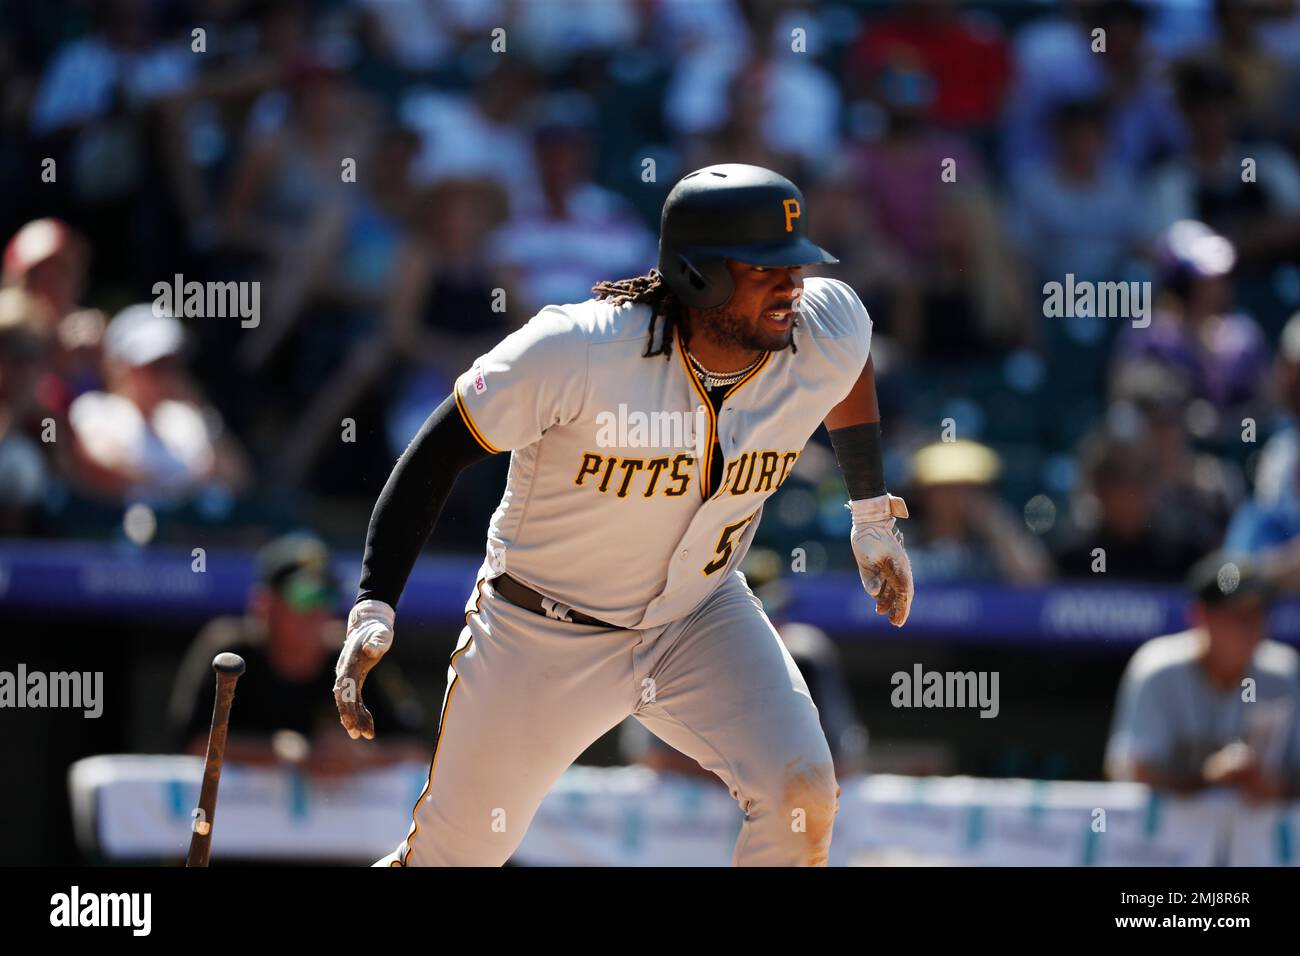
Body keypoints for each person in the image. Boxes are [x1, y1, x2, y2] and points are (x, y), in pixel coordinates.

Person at [336, 164, 915, 867]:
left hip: (700, 614)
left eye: (797, 267)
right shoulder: (577, 348)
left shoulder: (820, 324)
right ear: (699, 274)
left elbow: (848, 361)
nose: (792, 286)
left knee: (802, 796)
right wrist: (374, 602)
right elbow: (435, 454)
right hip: (542, 632)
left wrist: (871, 513)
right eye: (768, 270)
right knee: (453, 858)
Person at [168, 533, 424, 776]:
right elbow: (195, 745)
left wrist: (362, 756)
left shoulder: (358, 657)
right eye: (304, 596)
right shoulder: (230, 655)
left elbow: (418, 750)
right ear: (265, 605)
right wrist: (280, 753)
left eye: (326, 596)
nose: (317, 611)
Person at [1104, 553, 1300, 802]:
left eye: (1259, 614)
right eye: (1239, 616)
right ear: (1201, 617)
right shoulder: (1158, 671)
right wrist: (1207, 779)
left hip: (1257, 836)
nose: (1252, 628)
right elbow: (1130, 774)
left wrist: (1276, 787)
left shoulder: (1281, 673)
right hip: (1166, 837)